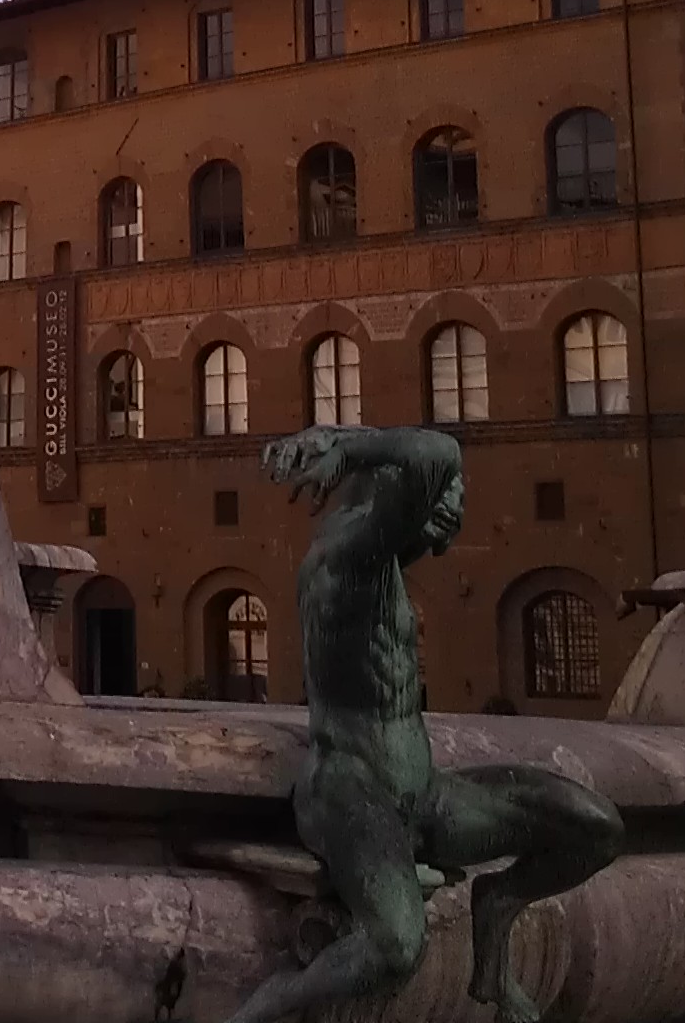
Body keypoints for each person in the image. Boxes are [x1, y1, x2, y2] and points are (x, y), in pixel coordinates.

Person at [221, 426, 621, 1023]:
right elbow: (438, 452)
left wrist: (345, 440)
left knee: (596, 828)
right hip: (352, 791)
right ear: (387, 494)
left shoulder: (380, 568)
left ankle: (498, 905)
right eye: (440, 499)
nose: (453, 507)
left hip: (424, 795)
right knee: (397, 946)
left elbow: (433, 464)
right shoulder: (345, 563)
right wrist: (352, 449)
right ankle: (272, 1003)